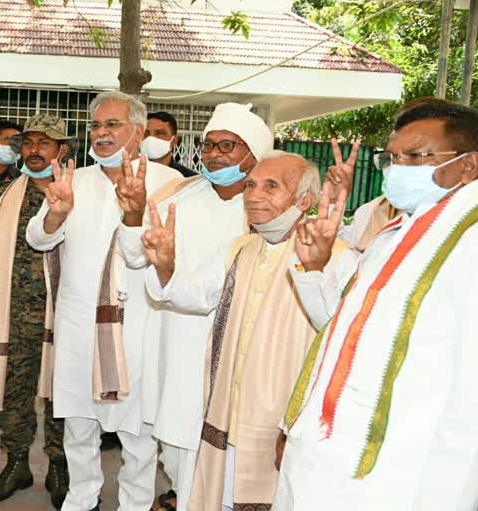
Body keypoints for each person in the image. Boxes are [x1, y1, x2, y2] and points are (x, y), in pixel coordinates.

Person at [275, 100, 478, 510]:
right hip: (324, 458)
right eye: (393, 157)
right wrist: (316, 268)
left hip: (394, 479)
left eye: (417, 156)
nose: (398, 168)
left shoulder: (468, 243)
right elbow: (344, 333)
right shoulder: (397, 232)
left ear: (468, 166)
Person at [143, 151, 347, 510]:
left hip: (284, 426)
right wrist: (166, 266)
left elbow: (339, 334)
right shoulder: (240, 248)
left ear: (305, 200)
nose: (253, 195)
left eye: (272, 186)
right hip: (229, 416)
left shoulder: (340, 258)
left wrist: (314, 270)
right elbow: (197, 294)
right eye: (251, 185)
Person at [26, 91, 178, 511]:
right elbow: (37, 238)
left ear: (140, 132)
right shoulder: (74, 180)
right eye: (96, 126)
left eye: (112, 125)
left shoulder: (171, 186)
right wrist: (55, 213)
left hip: (140, 328)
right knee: (78, 427)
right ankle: (82, 499)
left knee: (138, 435)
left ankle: (134, 504)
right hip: (78, 325)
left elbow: (158, 259)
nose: (101, 133)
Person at [117, 102, 271, 511]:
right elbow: (135, 257)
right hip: (172, 343)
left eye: (228, 146)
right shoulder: (177, 197)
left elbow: (214, 289)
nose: (215, 154)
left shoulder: (263, 214)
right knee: (175, 446)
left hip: (231, 352)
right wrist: (133, 215)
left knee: (220, 465)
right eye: (209, 145)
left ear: (254, 156)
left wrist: (168, 270)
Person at [0, 114, 73, 508]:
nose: (34, 150)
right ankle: (16, 463)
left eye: (44, 143)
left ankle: (59, 465)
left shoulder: (80, 191)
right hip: (15, 314)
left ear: (61, 150)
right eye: (28, 142)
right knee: (16, 393)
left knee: (60, 394)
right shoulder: (6, 190)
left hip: (65, 314)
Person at [140, 112, 195, 177]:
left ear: (174, 141)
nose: (151, 138)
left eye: (159, 133)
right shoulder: (130, 174)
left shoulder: (188, 179)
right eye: (146, 133)